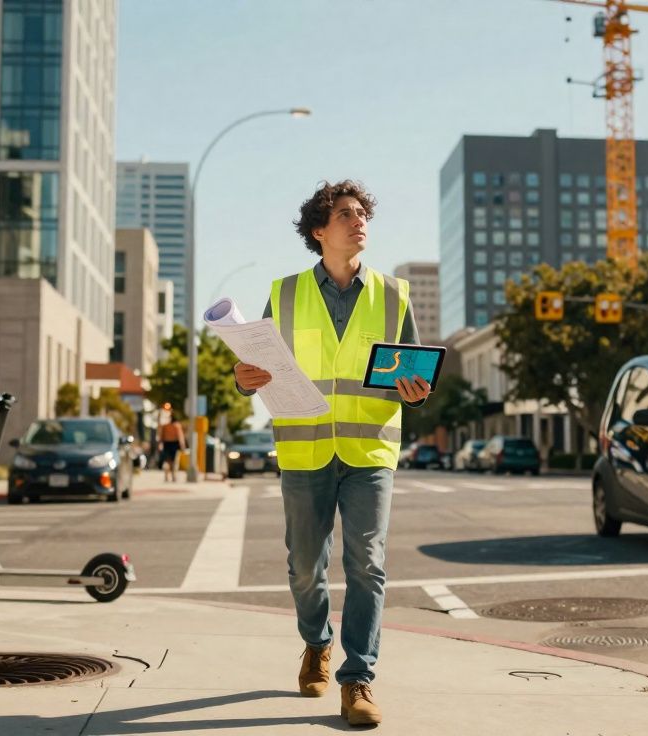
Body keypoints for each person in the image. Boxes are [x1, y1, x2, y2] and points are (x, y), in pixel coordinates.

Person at [234, 180, 431, 727]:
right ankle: (316, 642)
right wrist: (244, 379)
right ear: (320, 231)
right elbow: (259, 369)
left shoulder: (395, 294)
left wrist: (414, 388)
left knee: (367, 563)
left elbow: (408, 371)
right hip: (305, 449)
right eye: (346, 213)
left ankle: (358, 679)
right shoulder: (286, 292)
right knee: (304, 567)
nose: (359, 219)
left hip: (369, 450)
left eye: (363, 212)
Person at [157, 413, 186, 482]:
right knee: (174, 462)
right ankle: (174, 477)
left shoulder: (165, 426)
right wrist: (183, 446)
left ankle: (166, 476)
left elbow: (161, 436)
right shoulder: (177, 425)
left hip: (166, 444)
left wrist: (160, 444)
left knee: (167, 461)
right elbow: (180, 436)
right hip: (174, 444)